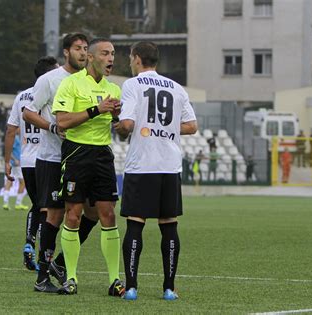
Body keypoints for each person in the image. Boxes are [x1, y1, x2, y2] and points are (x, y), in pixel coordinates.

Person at [114, 41, 198, 301]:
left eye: (130, 58)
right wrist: (167, 128)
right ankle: (169, 288)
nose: (130, 62)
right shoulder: (176, 88)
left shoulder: (131, 85)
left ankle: (131, 287)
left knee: (135, 225)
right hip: (169, 166)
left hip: (142, 165)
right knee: (169, 227)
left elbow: (127, 124)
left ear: (137, 58)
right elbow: (192, 126)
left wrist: (118, 124)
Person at [24, 33, 102, 293]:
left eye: (86, 48)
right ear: (66, 52)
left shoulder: (89, 81)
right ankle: (42, 277)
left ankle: (58, 263)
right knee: (55, 215)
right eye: (78, 48)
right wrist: (52, 126)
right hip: (53, 159)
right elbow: (28, 112)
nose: (83, 53)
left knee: (93, 213)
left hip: (81, 158)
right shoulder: (49, 80)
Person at [51, 38, 124, 296]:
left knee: (109, 215)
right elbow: (62, 122)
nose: (111, 59)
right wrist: (96, 109)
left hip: (103, 154)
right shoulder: (70, 84)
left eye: (113, 54)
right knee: (73, 215)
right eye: (105, 53)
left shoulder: (114, 89)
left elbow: (122, 133)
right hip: (76, 153)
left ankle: (115, 281)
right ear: (91, 57)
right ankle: (70, 278)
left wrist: (117, 118)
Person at [5, 56, 59, 271]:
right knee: (50, 208)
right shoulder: (55, 91)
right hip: (47, 157)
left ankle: (29, 242)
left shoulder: (22, 96)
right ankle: (43, 256)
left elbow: (11, 130)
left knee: (37, 205)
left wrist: (6, 161)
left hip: (27, 160)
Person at [3, 128, 28, 211]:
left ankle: (5, 203)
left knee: (9, 181)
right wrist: (15, 160)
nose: (20, 129)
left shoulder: (17, 137)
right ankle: (18, 203)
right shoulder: (15, 138)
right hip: (16, 164)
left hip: (12, 163)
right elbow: (10, 150)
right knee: (22, 182)